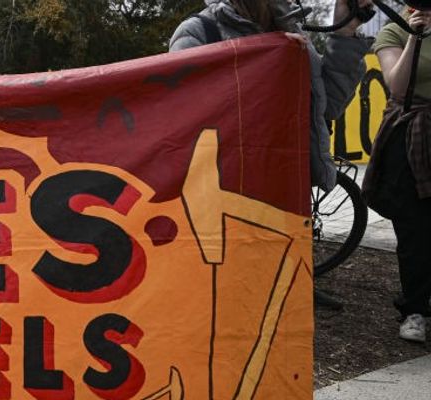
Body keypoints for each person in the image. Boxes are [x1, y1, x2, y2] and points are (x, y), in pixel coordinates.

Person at [169, 0, 372, 193]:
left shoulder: (291, 30)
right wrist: (266, 55)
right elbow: (184, 121)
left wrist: (344, 34)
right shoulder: (197, 32)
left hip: (288, 185)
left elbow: (329, 104)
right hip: (225, 195)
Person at [366, 7, 431, 342]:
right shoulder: (394, 32)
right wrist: (415, 37)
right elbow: (398, 87)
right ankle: (415, 311)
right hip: (412, 137)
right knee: (414, 228)